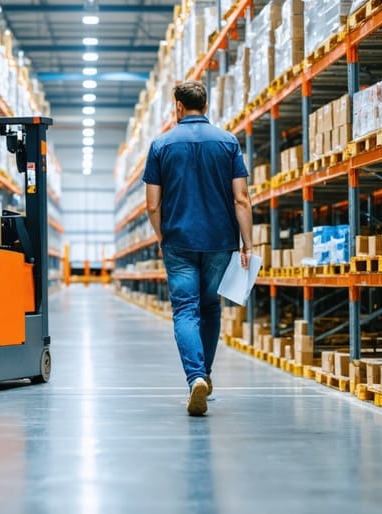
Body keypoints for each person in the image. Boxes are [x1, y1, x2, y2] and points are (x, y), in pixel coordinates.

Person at [142, 80, 253, 416]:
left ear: (178, 106)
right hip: (220, 241)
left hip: (179, 240)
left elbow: (151, 205)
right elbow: (242, 199)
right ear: (205, 105)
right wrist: (248, 243)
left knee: (185, 310)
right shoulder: (228, 142)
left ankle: (195, 377)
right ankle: (204, 374)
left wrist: (163, 236)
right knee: (210, 306)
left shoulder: (161, 145)